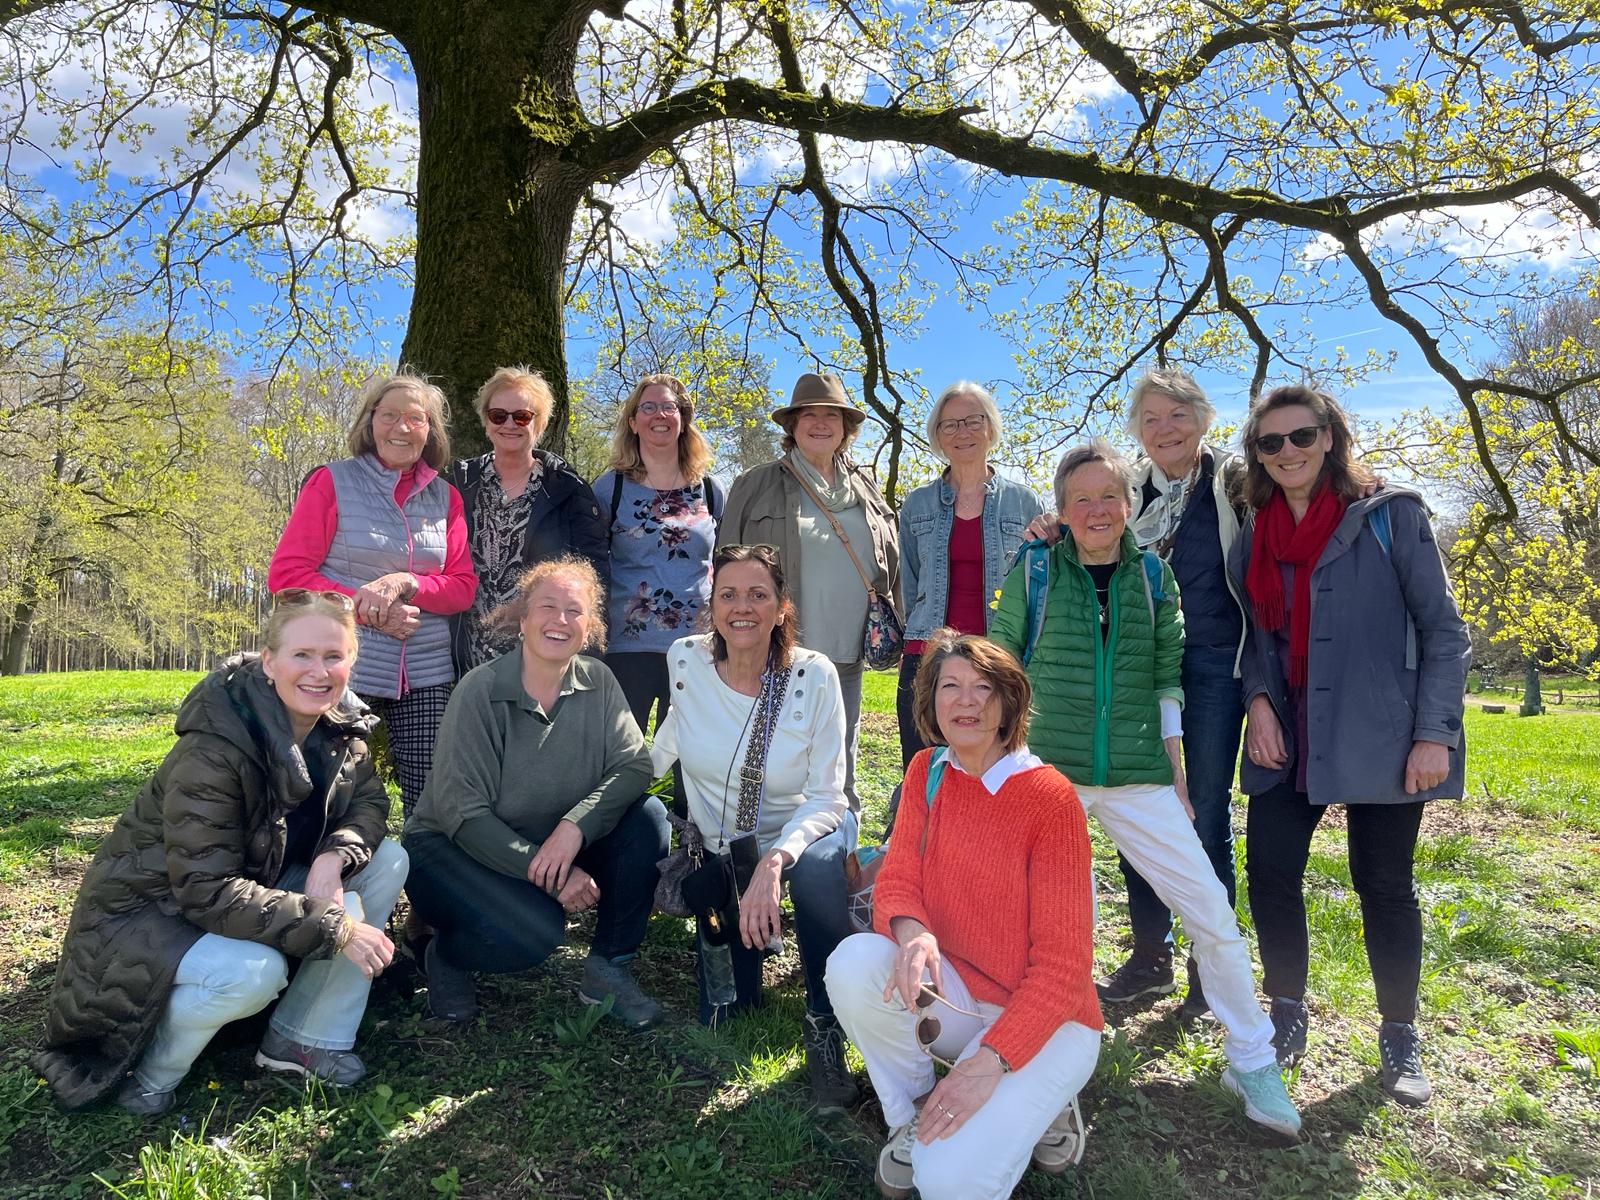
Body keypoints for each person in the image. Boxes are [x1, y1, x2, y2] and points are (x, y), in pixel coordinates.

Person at [989, 440, 1301, 1139]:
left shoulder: (1156, 577)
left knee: (1211, 912)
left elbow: (1167, 678)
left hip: (1138, 774)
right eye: (1081, 499)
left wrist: (1177, 772)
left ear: (1129, 504)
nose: (1097, 510)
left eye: (1109, 496)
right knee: (1037, 922)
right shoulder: (1035, 570)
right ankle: (1027, 1051)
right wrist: (1002, 763)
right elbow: (1001, 659)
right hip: (1050, 774)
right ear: (1061, 510)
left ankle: (1252, 1059)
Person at [34, 591, 406, 1115]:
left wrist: (332, 859)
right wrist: (336, 927)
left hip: (252, 883)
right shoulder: (214, 746)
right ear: (269, 661)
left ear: (351, 662)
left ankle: (302, 1039)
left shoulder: (344, 725)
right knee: (253, 972)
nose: (318, 671)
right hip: (153, 912)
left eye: (333, 656)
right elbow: (204, 890)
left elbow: (368, 802)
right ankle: (149, 1071)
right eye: (302, 655)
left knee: (387, 860)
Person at [1231, 385, 1469, 1107]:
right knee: (1270, 872)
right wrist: (1259, 702)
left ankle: (1399, 1033)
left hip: (1382, 731)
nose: (1287, 452)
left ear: (1330, 437)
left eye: (1301, 436)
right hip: (1290, 729)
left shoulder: (1391, 516)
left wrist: (1434, 734)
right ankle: (1285, 1013)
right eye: (1270, 442)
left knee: (1384, 883)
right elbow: (1256, 638)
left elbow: (1444, 631)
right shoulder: (1256, 532)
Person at [826, 633, 1102, 1200]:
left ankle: (1045, 1095)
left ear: (1009, 703)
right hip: (959, 996)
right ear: (931, 702)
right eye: (950, 686)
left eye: (983, 688)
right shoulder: (927, 770)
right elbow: (897, 879)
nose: (966, 701)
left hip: (1047, 1019)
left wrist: (989, 1063)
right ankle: (915, 1113)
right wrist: (913, 933)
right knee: (854, 964)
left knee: (948, 1179)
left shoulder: (1050, 800)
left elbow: (1063, 970)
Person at [403, 556, 668, 1029]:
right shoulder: (480, 691)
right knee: (532, 935)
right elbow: (465, 816)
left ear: (590, 628)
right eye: (547, 606)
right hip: (451, 852)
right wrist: (552, 877)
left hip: (548, 840)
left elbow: (633, 765)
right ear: (522, 619)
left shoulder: (599, 682)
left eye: (574, 610)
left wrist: (574, 828)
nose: (560, 620)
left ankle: (608, 968)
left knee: (648, 819)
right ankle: (445, 954)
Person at [651, 544, 859, 1108]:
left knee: (818, 871)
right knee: (730, 1008)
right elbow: (667, 742)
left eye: (758, 595)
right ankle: (753, 940)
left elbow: (828, 795)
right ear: (712, 605)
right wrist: (593, 805)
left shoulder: (812, 675)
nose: (742, 607)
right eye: (729, 594)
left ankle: (824, 1024)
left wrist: (776, 860)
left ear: (782, 606)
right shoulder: (686, 660)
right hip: (725, 856)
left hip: (802, 836)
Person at [268, 372, 477, 818]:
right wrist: (369, 609)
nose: (402, 427)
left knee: (431, 803)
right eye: (389, 415)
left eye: (415, 418)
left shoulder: (447, 498)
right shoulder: (331, 481)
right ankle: (327, 863)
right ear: (370, 421)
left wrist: (408, 582)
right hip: (344, 665)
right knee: (326, 792)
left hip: (426, 672)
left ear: (430, 430)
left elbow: (462, 588)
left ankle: (422, 865)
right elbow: (288, 577)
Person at [719, 372, 901, 813]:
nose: (821, 423)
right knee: (768, 753)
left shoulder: (865, 486)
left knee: (840, 753)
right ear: (793, 425)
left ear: (845, 427)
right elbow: (726, 564)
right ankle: (752, 841)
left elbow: (891, 556)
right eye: (810, 415)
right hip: (778, 649)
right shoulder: (756, 484)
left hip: (847, 651)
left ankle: (838, 835)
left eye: (832, 416)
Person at [897, 382, 1043, 769]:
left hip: (997, 657)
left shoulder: (1024, 502)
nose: (962, 432)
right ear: (938, 435)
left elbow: (1037, 587)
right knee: (925, 769)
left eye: (973, 421)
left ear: (990, 427)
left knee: (996, 771)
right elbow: (910, 585)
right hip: (927, 658)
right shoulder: (917, 504)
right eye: (950, 424)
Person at [450, 365, 609, 675]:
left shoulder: (567, 490)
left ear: (541, 423)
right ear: (486, 421)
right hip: (468, 658)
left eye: (522, 416)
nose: (509, 424)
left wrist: (589, 659)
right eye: (498, 415)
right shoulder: (460, 484)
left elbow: (594, 579)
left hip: (543, 657)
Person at [592, 373, 724, 737]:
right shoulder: (610, 488)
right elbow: (592, 565)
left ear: (683, 419)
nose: (659, 415)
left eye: (669, 407)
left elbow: (725, 565)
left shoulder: (710, 489)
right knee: (620, 754)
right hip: (625, 649)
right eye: (648, 407)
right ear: (633, 422)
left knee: (690, 760)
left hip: (696, 648)